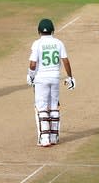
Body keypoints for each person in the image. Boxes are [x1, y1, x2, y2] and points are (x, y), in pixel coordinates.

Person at [27, 19, 75, 147]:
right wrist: (70, 77)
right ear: (53, 30)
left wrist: (30, 76)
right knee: (54, 106)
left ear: (39, 32)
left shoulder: (37, 44)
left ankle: (45, 138)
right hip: (55, 78)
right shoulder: (58, 43)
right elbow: (65, 61)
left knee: (41, 107)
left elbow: (32, 64)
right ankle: (54, 136)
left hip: (41, 79)